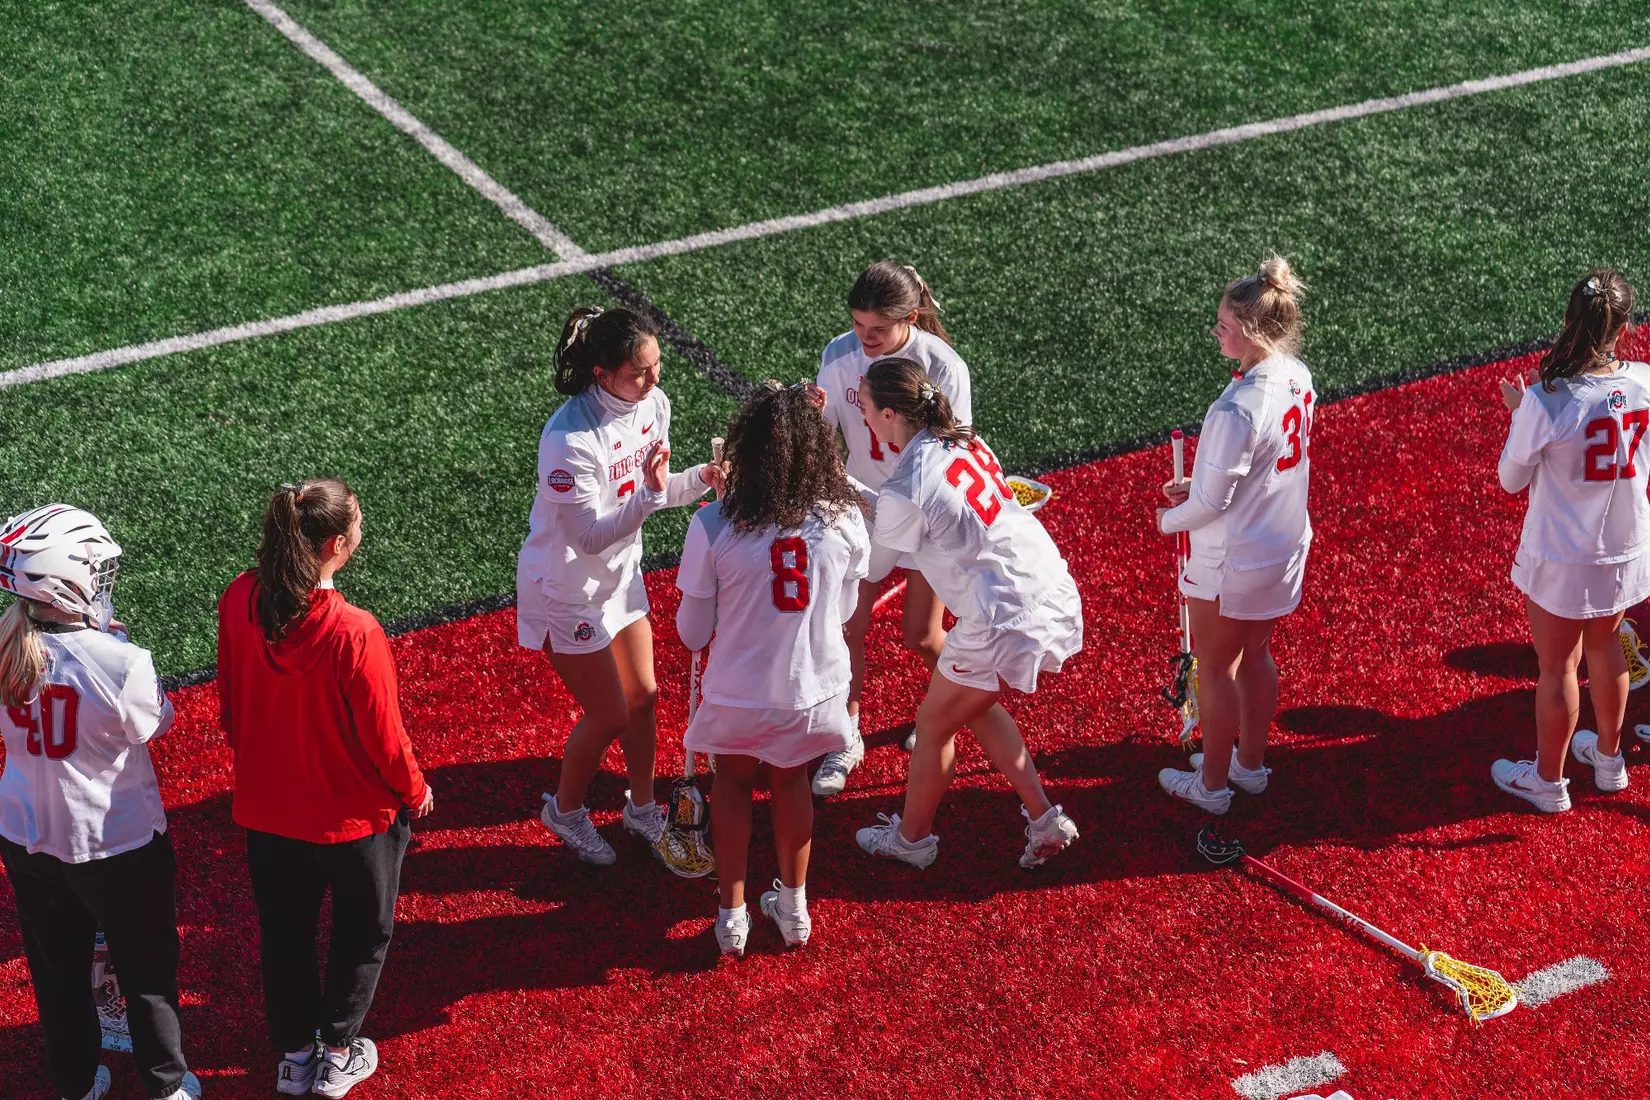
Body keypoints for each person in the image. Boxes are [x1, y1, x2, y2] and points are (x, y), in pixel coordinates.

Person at [217, 480, 433, 1097]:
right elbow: (385, 738)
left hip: (269, 812)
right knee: (362, 934)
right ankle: (338, 1053)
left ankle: (294, 1059)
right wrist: (415, 790)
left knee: (285, 938)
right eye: (358, 521)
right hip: (355, 819)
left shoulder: (239, 598)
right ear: (337, 544)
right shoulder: (355, 631)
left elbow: (230, 706)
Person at [0, 505, 201, 1100]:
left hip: (24, 834)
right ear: (63, 579)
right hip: (115, 840)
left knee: (56, 972)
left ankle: (76, 1083)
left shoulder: (6, 643)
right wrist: (116, 644)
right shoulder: (121, 661)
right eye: (93, 568)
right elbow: (155, 724)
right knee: (147, 968)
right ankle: (166, 1084)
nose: (101, 579)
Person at [851, 357, 1081, 870]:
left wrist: (843, 505)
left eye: (865, 408)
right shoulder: (964, 439)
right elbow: (906, 511)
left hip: (999, 616)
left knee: (933, 726)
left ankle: (912, 841)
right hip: (1047, 584)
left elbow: (876, 565)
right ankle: (1044, 818)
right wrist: (857, 493)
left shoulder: (905, 486)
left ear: (889, 414)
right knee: (974, 705)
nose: (862, 419)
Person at [518, 307, 723, 868]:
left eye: (656, 365)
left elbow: (655, 488)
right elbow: (588, 535)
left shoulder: (654, 405)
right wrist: (652, 496)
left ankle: (642, 807)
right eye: (639, 372)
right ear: (602, 373)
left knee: (644, 698)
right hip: (566, 588)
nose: (653, 379)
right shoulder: (567, 439)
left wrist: (699, 479)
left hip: (619, 576)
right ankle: (564, 811)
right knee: (609, 713)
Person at [675, 381, 870, 955]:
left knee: (733, 784)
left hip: (738, 690)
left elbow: (692, 634)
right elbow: (844, 611)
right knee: (790, 781)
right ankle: (794, 909)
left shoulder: (712, 524)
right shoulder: (844, 518)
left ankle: (731, 917)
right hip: (814, 689)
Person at [1155, 257, 1315, 815]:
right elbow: (1254, 468)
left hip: (1234, 558)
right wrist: (1201, 482)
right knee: (1257, 654)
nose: (1215, 332)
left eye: (1223, 325)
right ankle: (1249, 766)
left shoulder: (1237, 408)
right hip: (1281, 546)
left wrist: (1169, 518)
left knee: (1217, 669)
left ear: (1250, 331)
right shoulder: (1297, 374)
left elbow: (1211, 504)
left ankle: (1213, 787)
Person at [814, 261, 974, 794]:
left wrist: (903, 507)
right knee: (847, 628)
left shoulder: (943, 365)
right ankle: (846, 735)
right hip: (864, 511)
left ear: (909, 317)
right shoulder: (838, 355)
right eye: (858, 325)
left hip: (924, 514)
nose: (864, 339)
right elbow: (823, 437)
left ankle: (948, 709)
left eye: (878, 328)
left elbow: (956, 449)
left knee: (922, 636)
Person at [1492, 270, 1644, 811]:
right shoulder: (1646, 382)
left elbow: (1510, 480)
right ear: (1623, 328)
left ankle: (1549, 782)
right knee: (1607, 646)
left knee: (1557, 666)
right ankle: (1609, 761)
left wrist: (1522, 415)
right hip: (1624, 547)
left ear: (1567, 320)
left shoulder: (1546, 400)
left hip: (1562, 555)